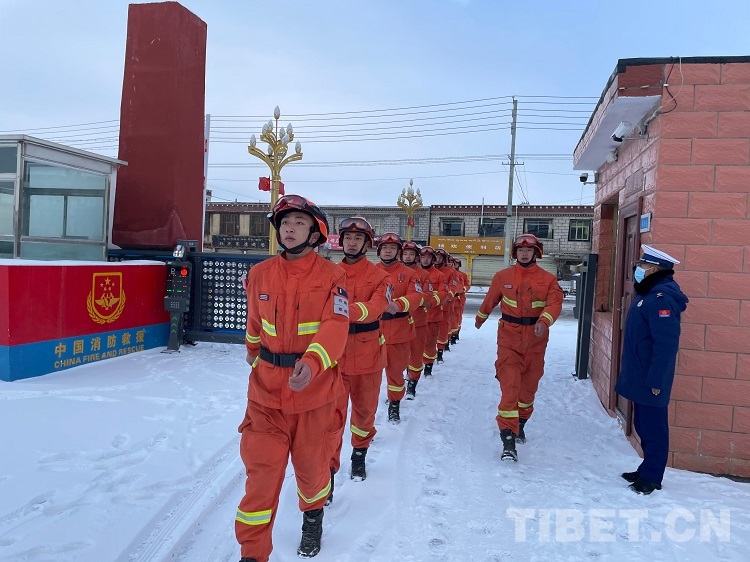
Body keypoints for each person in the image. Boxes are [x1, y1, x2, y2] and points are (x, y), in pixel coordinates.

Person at [236, 194, 349, 562]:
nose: (290, 228)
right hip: (265, 396)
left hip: (314, 395)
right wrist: (254, 354)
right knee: (260, 478)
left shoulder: (333, 276)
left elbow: (336, 324)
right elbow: (254, 324)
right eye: (285, 222)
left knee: (312, 471)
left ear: (316, 234)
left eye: (300, 222)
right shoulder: (259, 273)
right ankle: (252, 554)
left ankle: (313, 517)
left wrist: (313, 363)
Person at [474, 234, 563, 462]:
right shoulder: (502, 276)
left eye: (528, 250)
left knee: (527, 391)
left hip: (535, 341)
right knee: (510, 387)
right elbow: (491, 299)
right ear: (515, 253)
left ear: (536, 254)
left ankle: (521, 422)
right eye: (520, 250)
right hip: (509, 339)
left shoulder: (548, 279)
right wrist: (481, 317)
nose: (524, 254)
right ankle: (508, 439)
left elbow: (555, 304)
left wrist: (544, 321)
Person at [615, 244, 688, 495]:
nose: (639, 268)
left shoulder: (661, 298)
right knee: (643, 424)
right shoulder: (648, 293)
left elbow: (666, 344)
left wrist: (657, 379)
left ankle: (652, 477)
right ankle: (647, 468)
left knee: (654, 427)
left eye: (643, 265)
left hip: (651, 377)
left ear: (655, 269)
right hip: (640, 373)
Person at [329, 217, 390, 487]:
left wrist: (341, 312)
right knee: (331, 417)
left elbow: (377, 307)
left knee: (364, 412)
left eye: (358, 239)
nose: (352, 243)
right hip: (334, 355)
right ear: (341, 242)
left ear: (367, 244)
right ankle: (328, 469)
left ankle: (359, 453)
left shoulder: (381, 277)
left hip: (368, 355)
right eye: (348, 238)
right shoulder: (329, 273)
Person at [376, 232, 423, 423]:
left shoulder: (410, 274)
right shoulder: (371, 272)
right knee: (369, 373)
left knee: (395, 372)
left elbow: (417, 297)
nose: (388, 251)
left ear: (398, 252)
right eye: (385, 248)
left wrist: (399, 304)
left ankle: (394, 404)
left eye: (392, 248)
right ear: (379, 251)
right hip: (373, 330)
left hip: (399, 330)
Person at [402, 241, 435, 399]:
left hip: (417, 321)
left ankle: (412, 384)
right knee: (397, 358)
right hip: (397, 323)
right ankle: (396, 390)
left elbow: (428, 296)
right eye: (405, 254)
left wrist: (413, 301)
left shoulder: (423, 275)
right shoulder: (393, 272)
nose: (408, 257)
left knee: (416, 355)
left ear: (416, 257)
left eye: (411, 254)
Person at [419, 246, 450, 377]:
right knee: (413, 345)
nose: (425, 260)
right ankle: (411, 371)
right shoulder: (414, 273)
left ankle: (428, 367)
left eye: (428, 257)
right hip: (415, 317)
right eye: (423, 257)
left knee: (430, 343)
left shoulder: (440, 276)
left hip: (433, 316)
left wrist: (430, 302)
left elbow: (444, 293)